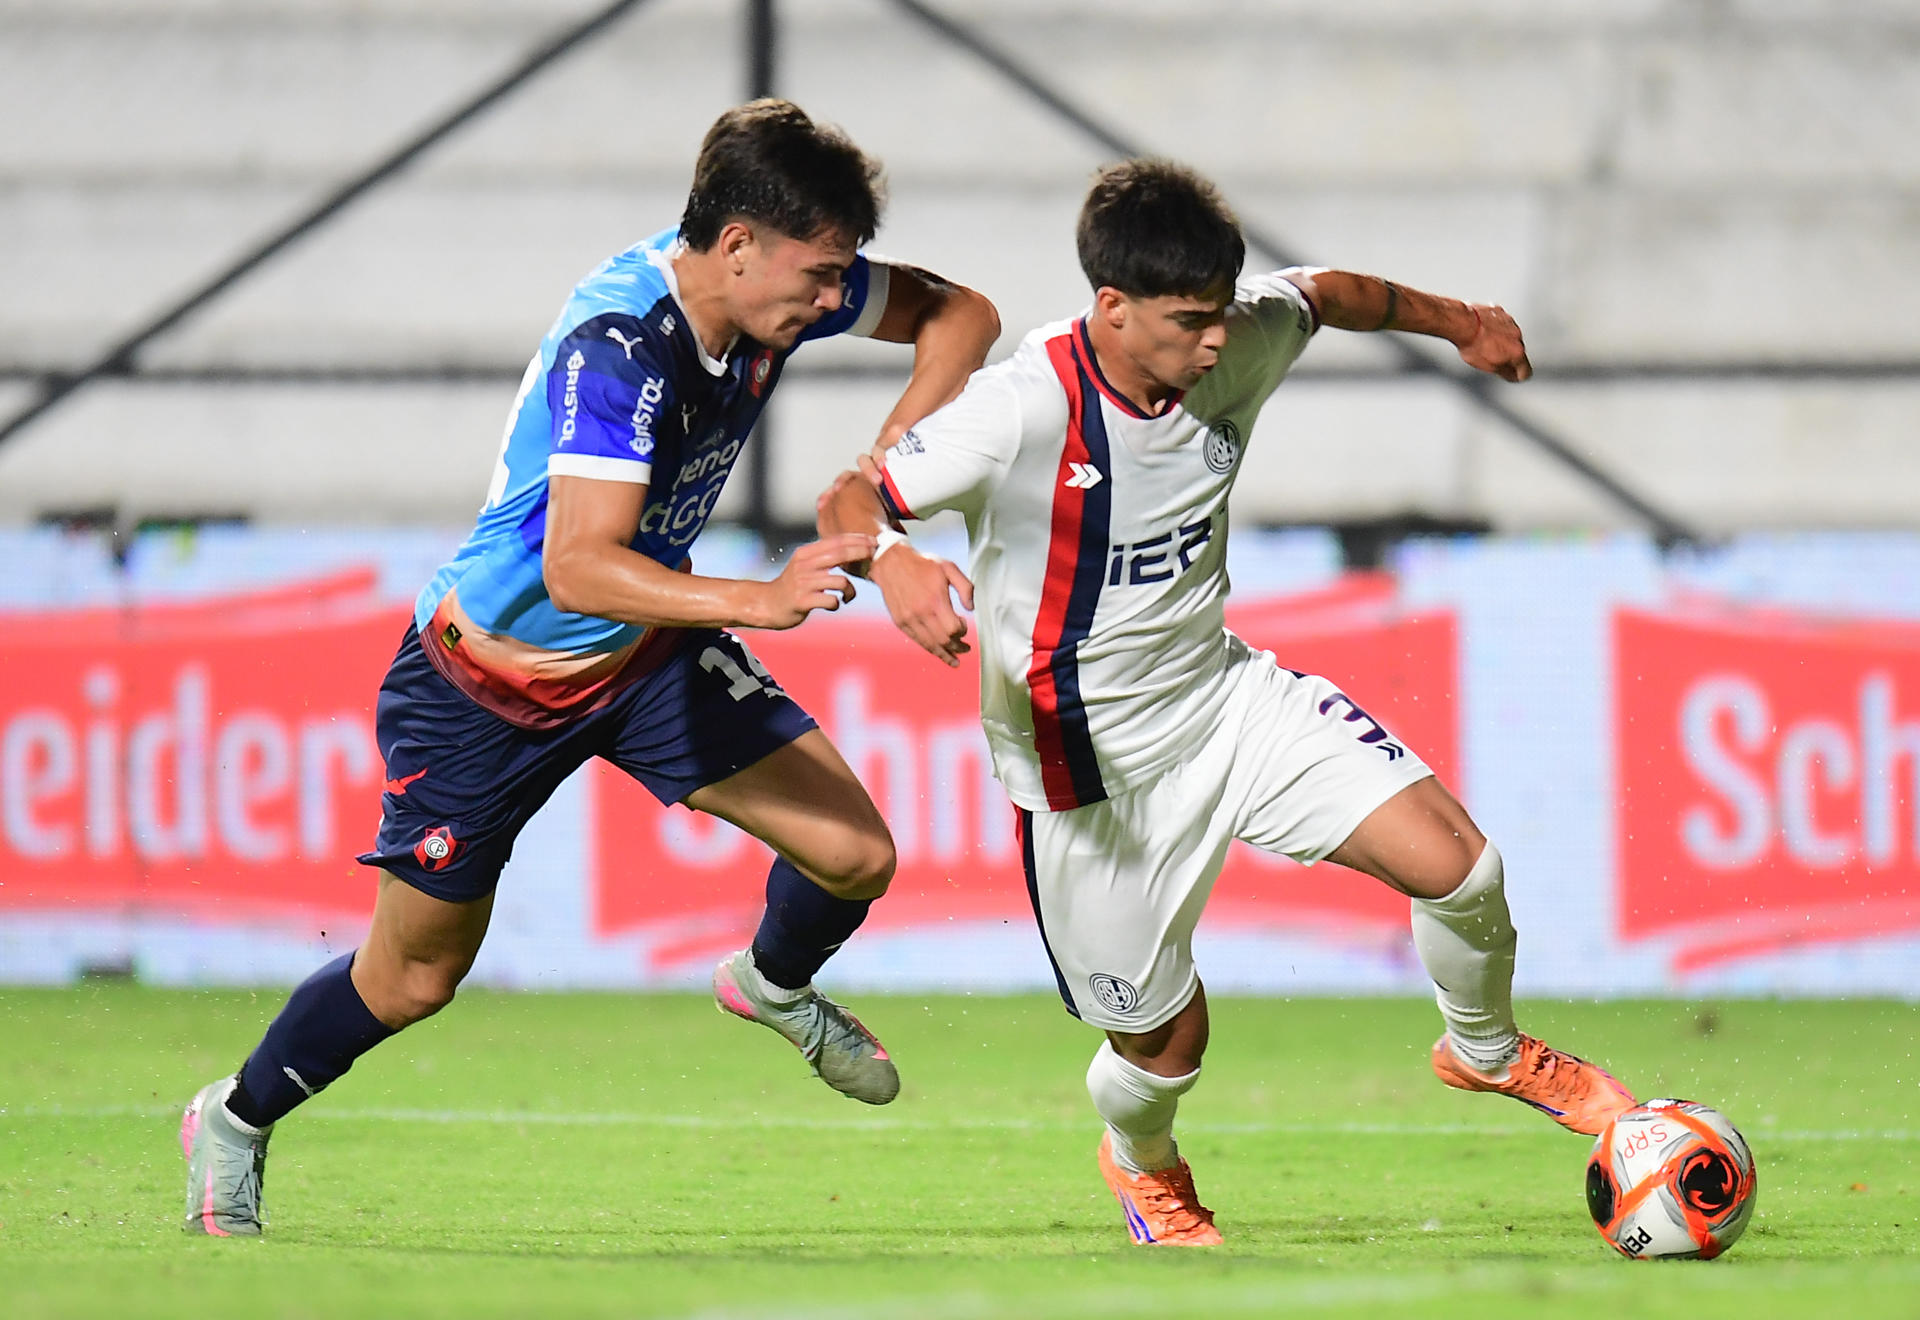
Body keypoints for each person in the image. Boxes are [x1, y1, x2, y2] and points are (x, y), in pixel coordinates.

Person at [179, 99, 1000, 1237]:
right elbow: (575, 566)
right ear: (735, 247)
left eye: (837, 281)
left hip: (642, 653)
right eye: (817, 279)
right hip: (487, 683)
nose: (830, 302)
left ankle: (770, 983)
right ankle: (237, 1117)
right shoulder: (619, 352)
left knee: (855, 854)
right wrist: (757, 601)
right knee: (412, 980)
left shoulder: (770, 291)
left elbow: (962, 316)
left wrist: (875, 473)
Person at [817, 158, 1635, 1247]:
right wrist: (891, 560)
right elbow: (848, 493)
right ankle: (1142, 1164)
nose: (1213, 342)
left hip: (1223, 701)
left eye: (1219, 315)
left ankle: (1484, 1051)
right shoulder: (1019, 409)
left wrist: (1463, 322)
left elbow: (1332, 292)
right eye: (1188, 321)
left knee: (1461, 867)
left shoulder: (1240, 337)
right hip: (1085, 778)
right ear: (1111, 309)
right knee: (1166, 1045)